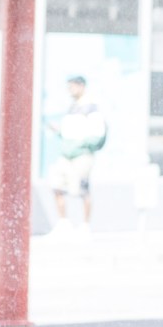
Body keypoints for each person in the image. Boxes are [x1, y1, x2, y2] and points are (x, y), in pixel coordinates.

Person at [44, 73, 106, 232]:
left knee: (82, 189)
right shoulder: (72, 107)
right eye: (68, 86)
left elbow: (97, 133)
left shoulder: (91, 107)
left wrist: (82, 145)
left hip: (82, 155)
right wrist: (59, 132)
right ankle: (63, 222)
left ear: (81, 86)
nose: (70, 90)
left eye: (72, 86)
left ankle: (85, 225)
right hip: (66, 154)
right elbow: (69, 132)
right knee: (57, 186)